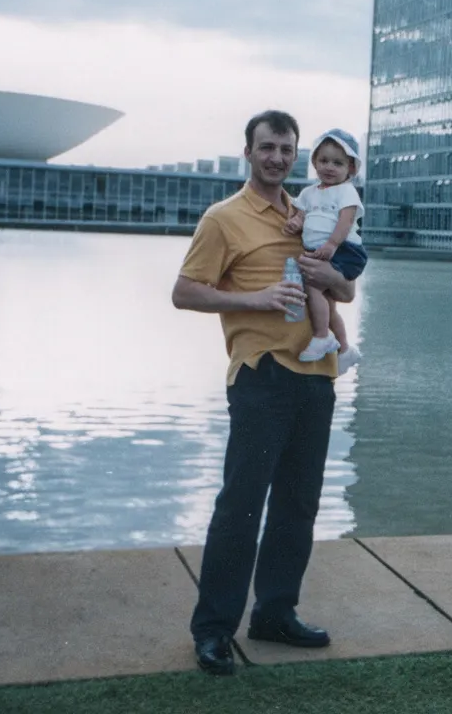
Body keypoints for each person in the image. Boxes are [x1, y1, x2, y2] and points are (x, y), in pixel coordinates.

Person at [171, 110, 357, 677]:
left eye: (286, 149)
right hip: (260, 375)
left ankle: (275, 613)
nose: (278, 157)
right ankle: (213, 631)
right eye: (268, 147)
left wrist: (328, 278)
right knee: (241, 505)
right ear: (248, 152)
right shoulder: (223, 219)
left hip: (316, 375)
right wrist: (255, 300)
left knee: (297, 505)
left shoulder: (311, 213)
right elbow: (183, 292)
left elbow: (344, 290)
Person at [282, 128, 367, 373]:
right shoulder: (309, 193)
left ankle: (322, 336)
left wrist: (332, 244)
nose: (329, 167)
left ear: (350, 169)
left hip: (344, 249)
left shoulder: (346, 191)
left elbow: (346, 221)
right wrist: (296, 222)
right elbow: (301, 214)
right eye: (324, 161)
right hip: (321, 250)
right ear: (314, 163)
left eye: (338, 163)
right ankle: (345, 349)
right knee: (327, 304)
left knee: (314, 287)